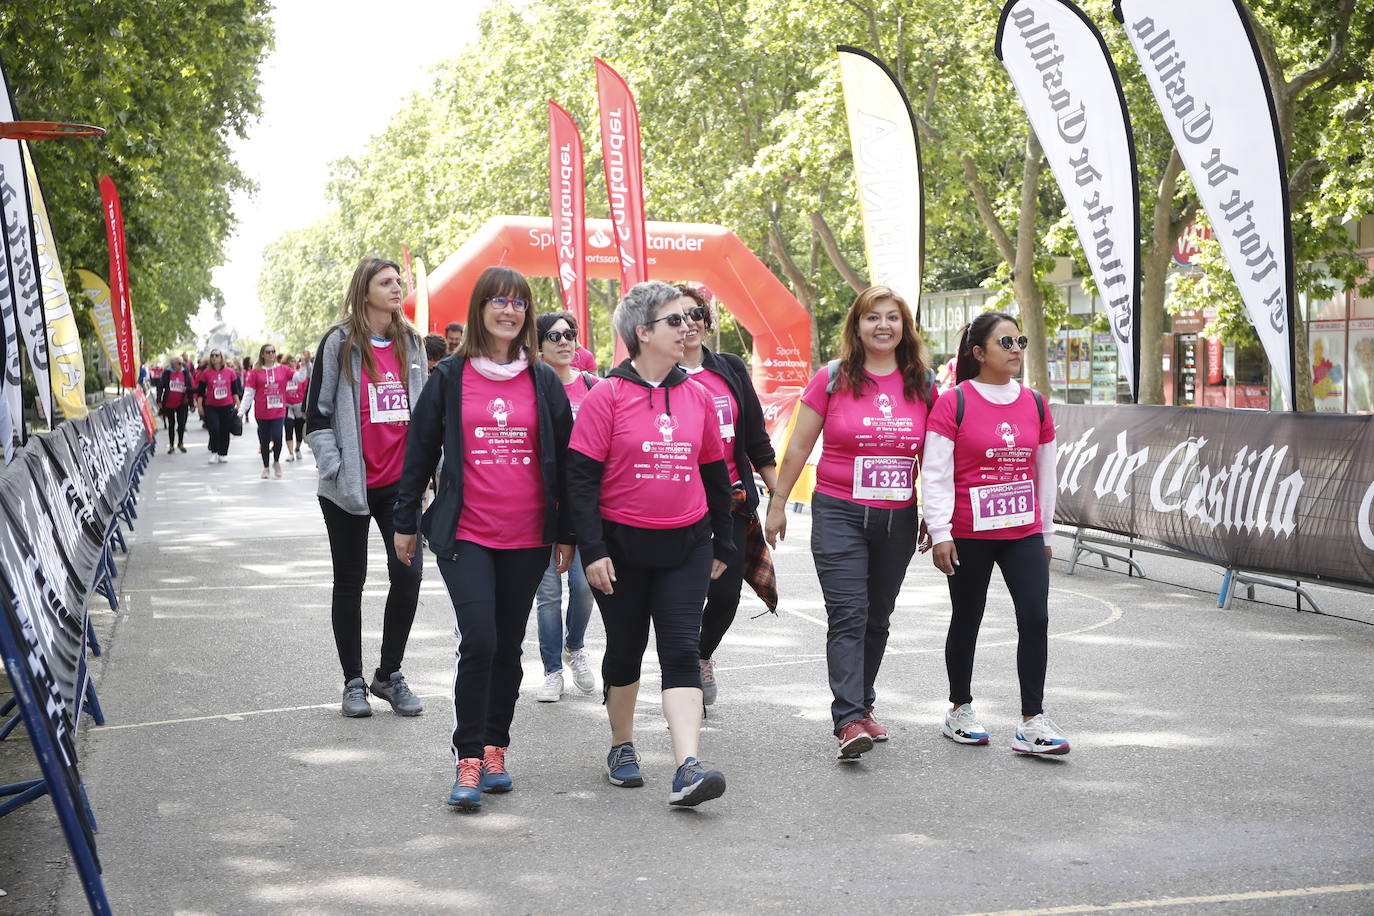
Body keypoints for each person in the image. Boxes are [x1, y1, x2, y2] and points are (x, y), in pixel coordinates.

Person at [392, 266, 573, 812]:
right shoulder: (450, 376)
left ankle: (497, 747)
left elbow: (566, 463)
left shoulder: (543, 380)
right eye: (497, 300)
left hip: (527, 537)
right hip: (466, 533)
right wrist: (405, 520)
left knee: (509, 647)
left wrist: (567, 532)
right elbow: (419, 451)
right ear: (479, 309)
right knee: (481, 642)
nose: (508, 310)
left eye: (518, 302)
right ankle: (467, 756)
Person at [567, 280, 734, 808]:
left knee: (682, 648)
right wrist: (592, 550)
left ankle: (687, 765)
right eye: (675, 320)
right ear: (642, 333)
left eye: (690, 319)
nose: (688, 328)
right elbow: (580, 481)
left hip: (686, 547)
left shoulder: (698, 394)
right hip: (621, 551)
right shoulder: (607, 396)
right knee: (625, 650)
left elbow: (715, 475)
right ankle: (622, 745)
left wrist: (724, 544)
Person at [765, 286, 937, 761]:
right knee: (849, 612)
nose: (883, 326)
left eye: (892, 318)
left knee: (878, 616)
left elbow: (935, 456)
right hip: (839, 511)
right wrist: (777, 504)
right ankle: (847, 719)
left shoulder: (922, 382)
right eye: (872, 318)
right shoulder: (833, 378)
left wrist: (935, 517)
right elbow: (798, 446)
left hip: (897, 517)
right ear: (856, 327)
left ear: (904, 327)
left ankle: (864, 707)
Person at [924, 311, 1068, 755]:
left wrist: (1045, 532)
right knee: (967, 618)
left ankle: (1032, 720)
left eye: (1020, 341)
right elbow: (936, 471)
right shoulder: (954, 402)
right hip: (969, 531)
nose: (1016, 350)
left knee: (1036, 618)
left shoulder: (1036, 403)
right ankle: (959, 708)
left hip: (1022, 531)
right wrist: (940, 530)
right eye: (1005, 343)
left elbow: (1045, 472)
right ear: (978, 352)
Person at [306, 257, 426, 721]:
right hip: (348, 488)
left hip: (400, 485)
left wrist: (428, 467)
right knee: (349, 581)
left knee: (409, 576)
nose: (397, 288)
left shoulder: (411, 342)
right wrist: (335, 467)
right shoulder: (339, 342)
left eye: (399, 282)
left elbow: (423, 408)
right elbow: (316, 416)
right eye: (386, 282)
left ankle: (388, 674)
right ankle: (353, 681)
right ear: (365, 290)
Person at [675, 285, 778, 707]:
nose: (690, 323)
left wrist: (778, 496)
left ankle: (701, 656)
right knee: (680, 597)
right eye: (678, 316)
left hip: (731, 502)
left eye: (697, 313)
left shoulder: (730, 369)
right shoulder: (654, 375)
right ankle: (679, 679)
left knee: (724, 595)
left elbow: (755, 435)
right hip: (676, 505)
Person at [531, 311, 599, 703]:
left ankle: (576, 647)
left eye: (569, 334)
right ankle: (553, 669)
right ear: (538, 344)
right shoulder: (530, 387)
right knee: (549, 593)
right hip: (541, 506)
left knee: (584, 585)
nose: (564, 341)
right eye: (554, 336)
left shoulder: (594, 385)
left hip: (585, 506)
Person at [240, 344, 295, 480]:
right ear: (263, 354)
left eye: (273, 351)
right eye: (268, 352)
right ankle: (265, 467)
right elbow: (248, 393)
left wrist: (306, 365)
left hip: (279, 410)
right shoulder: (255, 372)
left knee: (277, 436)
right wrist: (242, 410)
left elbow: (299, 378)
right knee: (264, 440)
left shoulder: (283, 369)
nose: (271, 354)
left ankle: (276, 461)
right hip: (262, 412)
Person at [197, 349, 242, 464]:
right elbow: (201, 392)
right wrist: (199, 406)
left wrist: (239, 405)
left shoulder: (230, 372)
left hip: (227, 405)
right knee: (214, 429)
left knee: (224, 430)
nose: (214, 357)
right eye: (212, 355)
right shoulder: (206, 373)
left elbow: (234, 390)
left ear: (221, 357)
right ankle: (214, 452)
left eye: (217, 355)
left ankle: (222, 453)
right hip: (211, 405)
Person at [157, 355, 195, 454]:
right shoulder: (167, 373)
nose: (180, 365)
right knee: (171, 424)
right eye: (178, 363)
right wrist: (159, 400)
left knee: (181, 423)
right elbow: (160, 387)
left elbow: (189, 388)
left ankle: (180, 443)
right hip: (169, 402)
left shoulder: (185, 373)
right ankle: (171, 445)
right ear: (173, 364)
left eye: (181, 363)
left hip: (182, 402)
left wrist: (191, 404)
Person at [284, 354, 309, 462]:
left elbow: (305, 391)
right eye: (288, 362)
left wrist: (305, 408)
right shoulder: (283, 376)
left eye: (293, 361)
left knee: (298, 431)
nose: (291, 363)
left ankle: (297, 448)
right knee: (288, 429)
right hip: (287, 406)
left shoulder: (300, 376)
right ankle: (290, 453)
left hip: (299, 406)